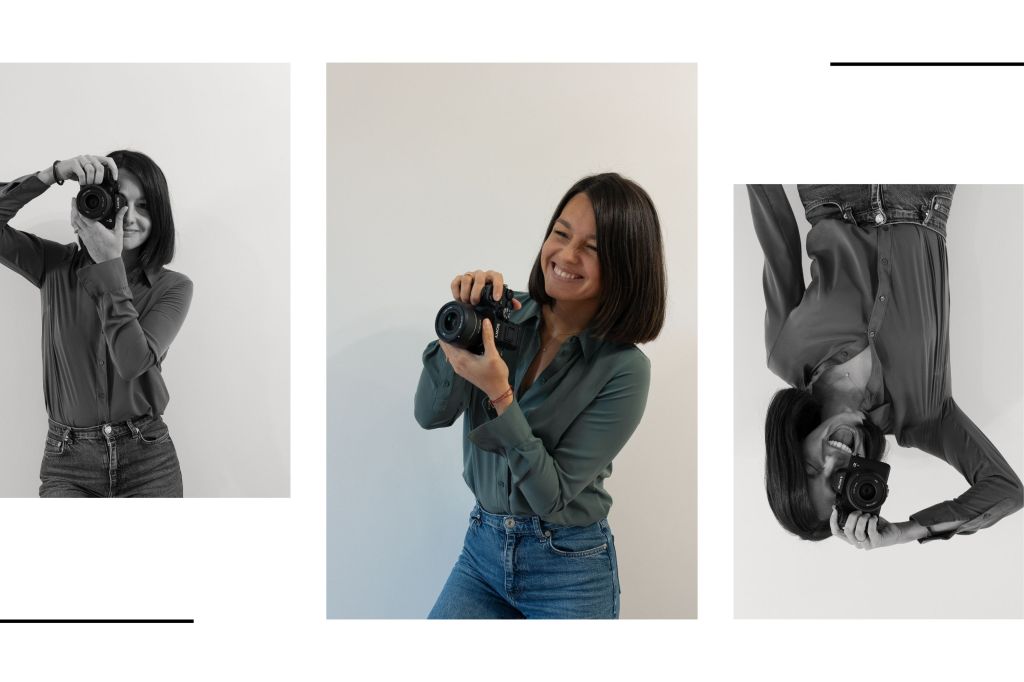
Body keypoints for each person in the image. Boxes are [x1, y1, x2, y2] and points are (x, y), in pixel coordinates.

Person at [415, 173, 667, 618]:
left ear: (626, 265)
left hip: (569, 570)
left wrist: (499, 394)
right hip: (482, 552)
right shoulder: (503, 314)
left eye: (592, 248)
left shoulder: (625, 371)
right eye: (561, 234)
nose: (566, 255)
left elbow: (550, 496)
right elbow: (429, 414)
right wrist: (463, 334)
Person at [749, 184, 1023, 548]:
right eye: (838, 483)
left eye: (813, 467)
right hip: (923, 191)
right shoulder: (925, 417)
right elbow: (1006, 490)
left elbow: (777, 237)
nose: (834, 460)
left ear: (794, 447)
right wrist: (907, 531)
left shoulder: (785, 352)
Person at [0, 152, 192, 497]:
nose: (129, 217)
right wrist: (53, 173)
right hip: (68, 461)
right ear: (95, 204)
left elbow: (133, 361)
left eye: (145, 205)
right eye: (119, 201)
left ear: (160, 215)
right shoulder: (53, 264)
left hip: (147, 458)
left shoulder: (173, 287)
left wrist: (108, 264)